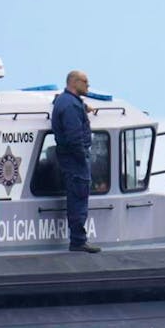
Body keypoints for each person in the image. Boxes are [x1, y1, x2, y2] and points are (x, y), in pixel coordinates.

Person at [52, 70, 102, 253]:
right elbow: (74, 138)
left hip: (69, 158)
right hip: (74, 160)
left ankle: (78, 240)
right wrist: (82, 158)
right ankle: (78, 241)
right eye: (85, 82)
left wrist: (83, 106)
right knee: (78, 199)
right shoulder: (71, 106)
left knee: (77, 197)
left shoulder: (66, 101)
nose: (88, 85)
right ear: (74, 82)